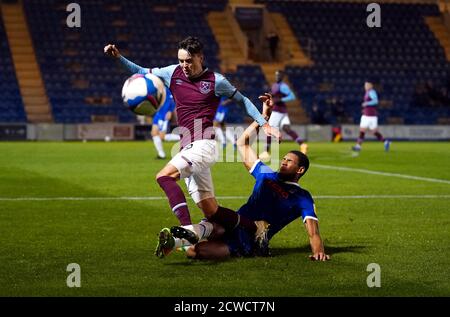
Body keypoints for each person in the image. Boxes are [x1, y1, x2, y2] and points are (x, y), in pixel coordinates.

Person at [104, 36, 280, 237]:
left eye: (189, 61)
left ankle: (186, 232)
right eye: (181, 60)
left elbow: (243, 101)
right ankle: (256, 228)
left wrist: (264, 123)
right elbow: (141, 73)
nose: (184, 65)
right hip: (187, 146)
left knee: (164, 177)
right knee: (211, 210)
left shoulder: (216, 81)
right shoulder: (172, 73)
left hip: (204, 144)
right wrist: (118, 57)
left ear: (200, 58)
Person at [155, 93, 330, 261]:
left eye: (289, 161)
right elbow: (242, 143)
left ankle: (180, 241)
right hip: (233, 223)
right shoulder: (266, 174)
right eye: (283, 158)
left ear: (299, 170)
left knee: (196, 252)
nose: (283, 162)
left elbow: (313, 231)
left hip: (251, 239)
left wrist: (318, 251)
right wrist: (263, 118)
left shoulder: (302, 197)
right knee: (214, 224)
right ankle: (180, 237)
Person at [261, 70, 307, 160]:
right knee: (287, 128)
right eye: (276, 75)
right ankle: (303, 144)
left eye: (279, 75)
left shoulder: (283, 86)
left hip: (277, 111)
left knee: (269, 129)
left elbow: (292, 96)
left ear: (282, 77)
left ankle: (266, 152)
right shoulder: (274, 85)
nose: (277, 76)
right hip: (282, 111)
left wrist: (281, 99)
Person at [352, 81, 390, 152]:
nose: (365, 87)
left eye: (367, 85)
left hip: (369, 116)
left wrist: (366, 103)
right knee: (368, 131)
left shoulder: (372, 92)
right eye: (365, 85)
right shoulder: (367, 92)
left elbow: (375, 101)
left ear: (371, 86)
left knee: (367, 131)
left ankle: (358, 146)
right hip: (369, 115)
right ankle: (385, 142)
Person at [150, 87, 179, 159]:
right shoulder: (158, 86)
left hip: (164, 113)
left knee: (162, 136)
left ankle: (183, 138)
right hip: (158, 113)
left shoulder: (168, 87)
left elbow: (172, 99)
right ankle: (161, 154)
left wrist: (170, 111)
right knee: (154, 133)